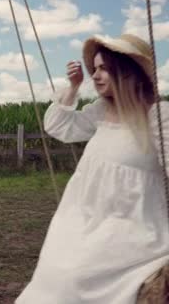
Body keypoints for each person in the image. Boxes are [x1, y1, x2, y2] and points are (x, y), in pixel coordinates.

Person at [15, 33, 169, 303]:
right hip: (79, 221)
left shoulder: (157, 115)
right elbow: (60, 127)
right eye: (94, 69)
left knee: (75, 280)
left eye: (104, 69)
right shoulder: (100, 111)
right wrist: (73, 87)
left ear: (129, 72)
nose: (95, 76)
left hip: (132, 227)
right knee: (53, 278)